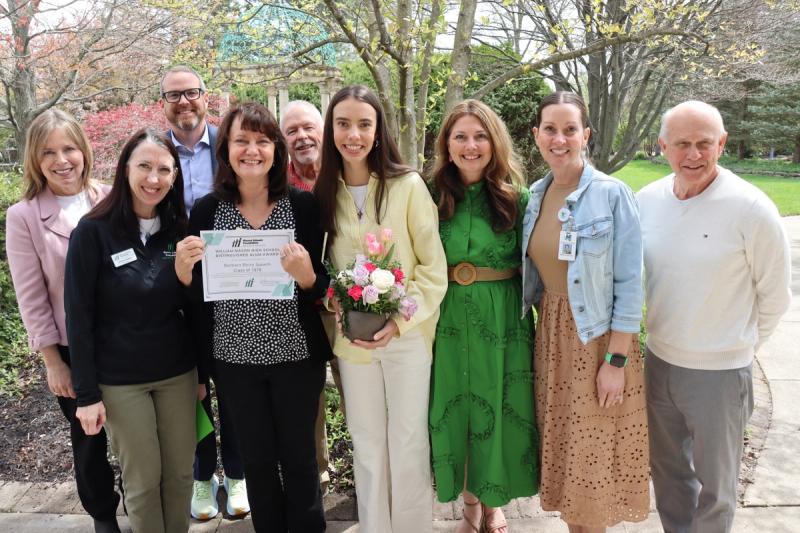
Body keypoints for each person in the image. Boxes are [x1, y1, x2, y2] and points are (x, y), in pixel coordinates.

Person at [175, 102, 330, 531]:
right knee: (258, 463)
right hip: (234, 361)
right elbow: (200, 300)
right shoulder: (206, 211)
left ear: (276, 150)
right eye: (242, 140)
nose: (252, 150)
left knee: (300, 460)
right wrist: (185, 275)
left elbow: (323, 284)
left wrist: (307, 277)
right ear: (226, 149)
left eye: (263, 140)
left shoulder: (302, 207)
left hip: (296, 356)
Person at [638, 101, 792, 533]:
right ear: (662, 146)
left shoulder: (752, 208)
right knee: (669, 477)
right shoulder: (646, 201)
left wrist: (735, 345)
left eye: (705, 143)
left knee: (717, 490)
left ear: (721, 143)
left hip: (720, 375)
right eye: (682, 144)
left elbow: (775, 297)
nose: (693, 155)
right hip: (659, 361)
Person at [315, 85, 448, 532]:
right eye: (343, 123)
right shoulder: (322, 191)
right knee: (367, 442)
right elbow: (324, 269)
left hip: (407, 338)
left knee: (408, 440)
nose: (353, 134)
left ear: (378, 130)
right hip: (353, 342)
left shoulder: (407, 186)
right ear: (330, 128)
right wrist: (334, 298)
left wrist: (398, 319)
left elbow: (432, 268)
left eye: (364, 124)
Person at [522, 91, 650, 532]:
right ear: (536, 135)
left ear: (586, 135)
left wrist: (616, 360)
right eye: (550, 130)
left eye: (570, 129)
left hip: (597, 342)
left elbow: (631, 285)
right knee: (569, 461)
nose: (560, 139)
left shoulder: (612, 195)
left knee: (593, 466)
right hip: (552, 340)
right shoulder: (536, 195)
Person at [64, 129, 201, 533]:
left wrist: (202, 377)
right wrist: (87, 396)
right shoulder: (92, 233)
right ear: (125, 169)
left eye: (163, 169)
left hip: (177, 374)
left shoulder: (180, 231)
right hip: (122, 382)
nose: (153, 178)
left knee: (179, 476)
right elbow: (79, 318)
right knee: (142, 482)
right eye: (144, 166)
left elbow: (195, 312)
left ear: (175, 176)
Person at [6, 109, 121, 533]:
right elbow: (31, 296)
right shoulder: (24, 217)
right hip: (73, 349)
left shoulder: (111, 199)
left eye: (69, 148)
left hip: (126, 340)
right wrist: (53, 360)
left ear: (84, 150)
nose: (62, 160)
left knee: (136, 432)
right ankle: (104, 515)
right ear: (35, 159)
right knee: (89, 438)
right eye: (48, 152)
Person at [428, 100, 538, 533]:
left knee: (499, 403)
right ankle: (470, 503)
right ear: (447, 145)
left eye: (480, 136)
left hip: (503, 321)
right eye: (460, 137)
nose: (470, 145)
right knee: (459, 409)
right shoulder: (430, 195)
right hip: (449, 318)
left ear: (494, 142)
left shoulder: (520, 198)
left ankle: (495, 501)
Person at [160, 64, 247, 519]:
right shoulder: (155, 153)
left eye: (190, 92)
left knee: (231, 383)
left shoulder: (230, 147)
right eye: (173, 95)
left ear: (205, 96)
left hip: (235, 282)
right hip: (181, 289)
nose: (184, 102)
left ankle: (236, 474)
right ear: (163, 104)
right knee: (191, 387)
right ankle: (200, 477)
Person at [280, 100, 324, 192]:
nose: (302, 136)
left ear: (324, 131)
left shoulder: (345, 174)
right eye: (292, 131)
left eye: (309, 128)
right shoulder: (278, 185)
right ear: (282, 140)